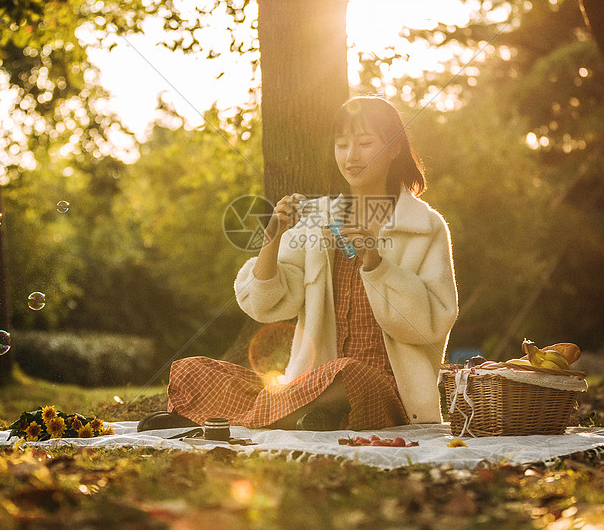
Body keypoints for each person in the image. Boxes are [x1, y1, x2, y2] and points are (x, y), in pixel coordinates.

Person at [137, 96, 458, 432]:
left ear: (394, 149)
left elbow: (433, 324)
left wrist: (375, 261)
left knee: (350, 372)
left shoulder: (425, 226)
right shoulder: (318, 219)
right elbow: (264, 305)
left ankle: (233, 417)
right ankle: (304, 414)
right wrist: (273, 237)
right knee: (193, 369)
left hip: (387, 394)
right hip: (311, 386)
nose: (351, 156)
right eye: (341, 144)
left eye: (365, 143)